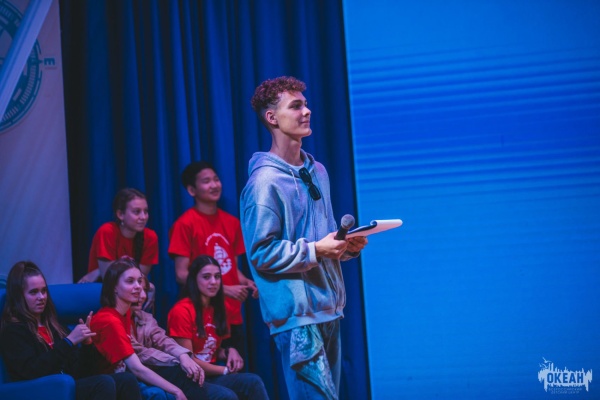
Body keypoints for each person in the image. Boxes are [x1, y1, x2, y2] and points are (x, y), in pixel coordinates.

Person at [240, 76, 368, 400]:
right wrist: (316, 249)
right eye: (296, 106)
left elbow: (322, 239)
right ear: (272, 117)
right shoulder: (264, 183)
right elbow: (261, 253)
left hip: (329, 308)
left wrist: (345, 246)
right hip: (297, 318)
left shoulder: (317, 171)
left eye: (306, 104)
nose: (306, 111)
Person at [0, 261, 141, 400]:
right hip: (40, 391)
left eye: (44, 291)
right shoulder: (13, 331)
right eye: (33, 292)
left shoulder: (55, 327)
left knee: (126, 380)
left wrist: (87, 344)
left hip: (66, 386)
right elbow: (32, 371)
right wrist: (68, 342)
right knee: (103, 383)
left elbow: (83, 373)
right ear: (19, 296)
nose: (41, 297)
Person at [168, 161, 257, 355]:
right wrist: (225, 289)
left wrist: (248, 283)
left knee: (236, 367)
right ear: (192, 190)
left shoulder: (232, 222)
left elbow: (232, 268)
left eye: (216, 179)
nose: (214, 185)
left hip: (231, 314)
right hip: (202, 315)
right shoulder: (185, 224)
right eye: (206, 181)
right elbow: (181, 274)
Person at [88, 256, 207, 400]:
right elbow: (136, 367)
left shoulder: (126, 314)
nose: (138, 286)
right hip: (109, 383)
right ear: (114, 287)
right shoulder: (109, 320)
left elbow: (161, 339)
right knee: (178, 377)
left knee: (186, 375)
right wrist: (176, 391)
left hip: (126, 376)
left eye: (139, 281)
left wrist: (183, 356)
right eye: (130, 281)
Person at [167, 255, 269, 400]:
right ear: (194, 279)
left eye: (217, 277)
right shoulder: (182, 311)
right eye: (206, 277)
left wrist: (229, 351)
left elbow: (211, 349)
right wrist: (224, 370)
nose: (213, 282)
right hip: (189, 378)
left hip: (210, 376)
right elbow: (189, 360)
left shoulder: (219, 308)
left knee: (253, 382)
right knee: (226, 396)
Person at [78, 188, 158, 311]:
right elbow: (111, 279)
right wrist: (101, 271)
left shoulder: (150, 237)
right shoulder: (107, 232)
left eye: (146, 211)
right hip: (104, 294)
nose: (143, 217)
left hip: (131, 292)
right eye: (137, 212)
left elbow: (139, 279)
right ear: (120, 214)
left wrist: (99, 270)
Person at [130, 275, 208, 400]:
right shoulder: (116, 320)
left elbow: (162, 339)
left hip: (151, 368)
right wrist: (176, 360)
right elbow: (140, 353)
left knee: (218, 392)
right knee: (179, 374)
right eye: (138, 290)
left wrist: (183, 355)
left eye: (145, 290)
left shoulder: (145, 317)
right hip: (130, 374)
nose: (143, 296)